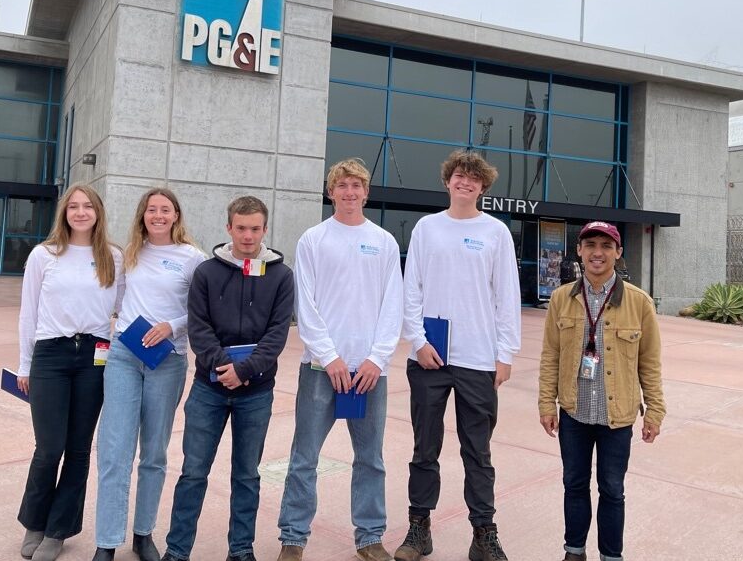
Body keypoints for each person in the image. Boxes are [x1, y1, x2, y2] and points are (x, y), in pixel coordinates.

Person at [394, 150, 522, 561]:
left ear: (483, 186)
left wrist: (505, 355)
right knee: (424, 447)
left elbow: (507, 296)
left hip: (479, 359)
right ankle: (419, 528)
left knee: (478, 452)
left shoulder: (496, 232)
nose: (465, 183)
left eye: (473, 178)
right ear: (448, 181)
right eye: (459, 176)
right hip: (430, 357)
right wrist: (417, 341)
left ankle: (484, 533)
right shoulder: (427, 228)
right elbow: (409, 287)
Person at [276, 159, 403, 561]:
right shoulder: (313, 239)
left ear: (366, 192)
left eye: (356, 185)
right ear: (331, 192)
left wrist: (376, 359)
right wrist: (329, 357)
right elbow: (305, 304)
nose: (349, 192)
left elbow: (392, 306)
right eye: (342, 185)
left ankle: (369, 538)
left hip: (368, 373)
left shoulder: (383, 242)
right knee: (303, 459)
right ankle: (293, 539)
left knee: (370, 459)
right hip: (320, 371)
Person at [162, 196, 294, 561]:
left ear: (265, 230)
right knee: (192, 473)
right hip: (209, 388)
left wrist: (245, 370)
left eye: (255, 228)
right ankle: (177, 551)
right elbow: (199, 328)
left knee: (247, 476)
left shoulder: (281, 276)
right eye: (241, 228)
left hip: (256, 392)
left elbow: (277, 333)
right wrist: (225, 369)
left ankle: (240, 551)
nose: (248, 236)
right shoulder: (206, 272)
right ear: (228, 229)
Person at [537, 221, 666, 561]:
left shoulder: (639, 303)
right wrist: (546, 404)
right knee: (574, 486)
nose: (598, 252)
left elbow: (650, 363)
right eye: (590, 244)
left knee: (612, 490)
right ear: (579, 251)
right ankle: (574, 552)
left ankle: (611, 556)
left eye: (606, 246)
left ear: (618, 253)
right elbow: (550, 354)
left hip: (617, 416)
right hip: (574, 412)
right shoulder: (561, 299)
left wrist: (655, 410)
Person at [92, 188, 206, 561]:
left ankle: (143, 533)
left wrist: (171, 325)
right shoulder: (131, 255)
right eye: (151, 210)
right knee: (114, 450)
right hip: (125, 354)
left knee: (154, 452)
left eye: (165, 210)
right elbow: (118, 300)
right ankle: (107, 540)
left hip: (167, 359)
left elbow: (202, 312)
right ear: (143, 215)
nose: (158, 215)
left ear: (176, 216)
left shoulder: (192, 259)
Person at [16, 184, 124, 561]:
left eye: (88, 206)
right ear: (64, 212)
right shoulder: (44, 255)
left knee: (78, 450)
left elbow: (125, 310)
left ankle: (59, 530)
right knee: (49, 448)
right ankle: (35, 521)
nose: (80, 212)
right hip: (51, 354)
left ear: (98, 213)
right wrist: (24, 364)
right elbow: (28, 313)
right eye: (74, 206)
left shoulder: (113, 257)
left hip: (95, 355)